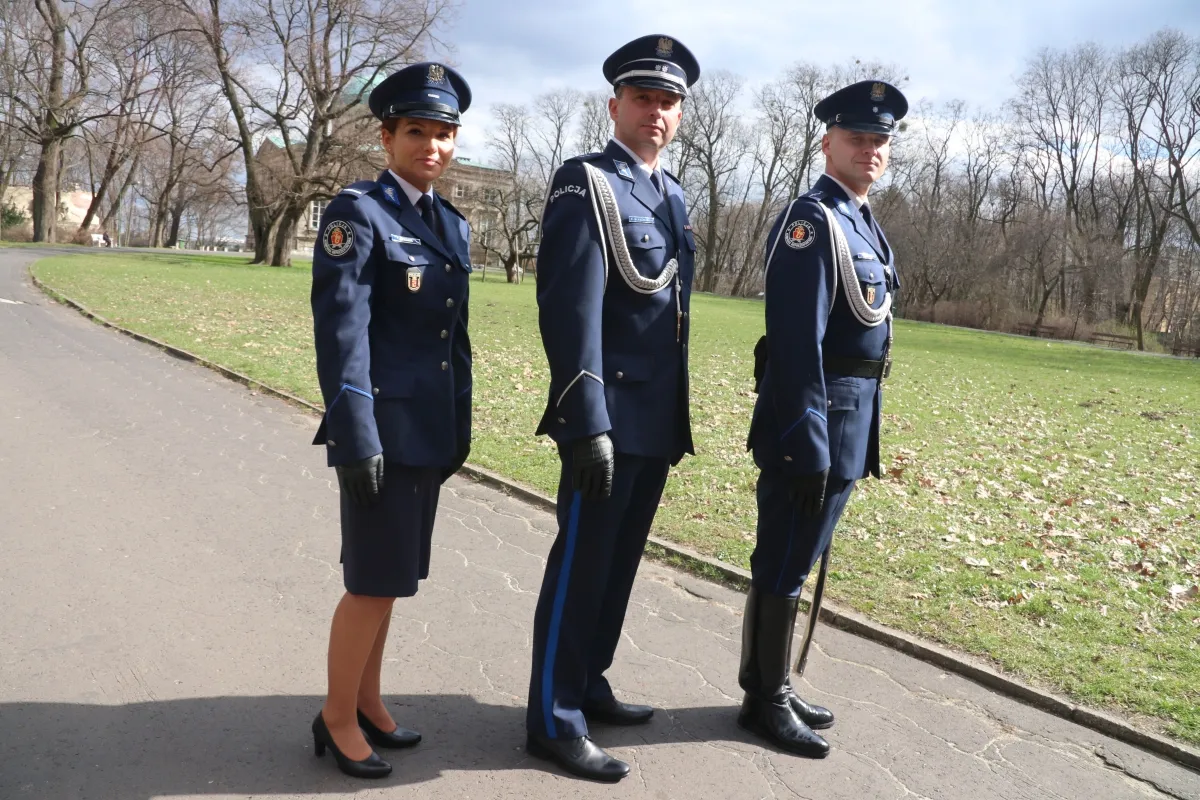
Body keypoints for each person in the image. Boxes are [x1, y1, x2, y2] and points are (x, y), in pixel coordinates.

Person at [523, 34, 701, 783]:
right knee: (582, 564)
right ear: (614, 105)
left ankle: (588, 682)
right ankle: (552, 718)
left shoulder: (672, 195)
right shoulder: (584, 182)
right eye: (643, 98)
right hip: (606, 416)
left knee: (620, 564)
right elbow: (570, 311)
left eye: (668, 102)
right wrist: (584, 418)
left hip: (656, 417)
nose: (655, 112)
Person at [308, 62, 474, 779]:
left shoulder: (447, 222)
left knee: (394, 578)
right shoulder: (358, 213)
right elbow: (341, 332)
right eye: (416, 131)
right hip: (379, 432)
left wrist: (460, 424)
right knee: (371, 581)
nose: (431, 145)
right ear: (387, 136)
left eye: (443, 134)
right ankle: (335, 717)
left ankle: (369, 700)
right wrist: (353, 431)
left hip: (427, 431)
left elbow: (451, 341)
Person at [741, 80, 908, 758]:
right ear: (827, 142)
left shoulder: (862, 220)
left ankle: (767, 681)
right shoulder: (812, 221)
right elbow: (794, 342)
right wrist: (806, 443)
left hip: (850, 418)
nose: (870, 149)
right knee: (784, 556)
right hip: (813, 424)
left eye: (879, 140)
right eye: (857, 138)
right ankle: (764, 702)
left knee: (798, 555)